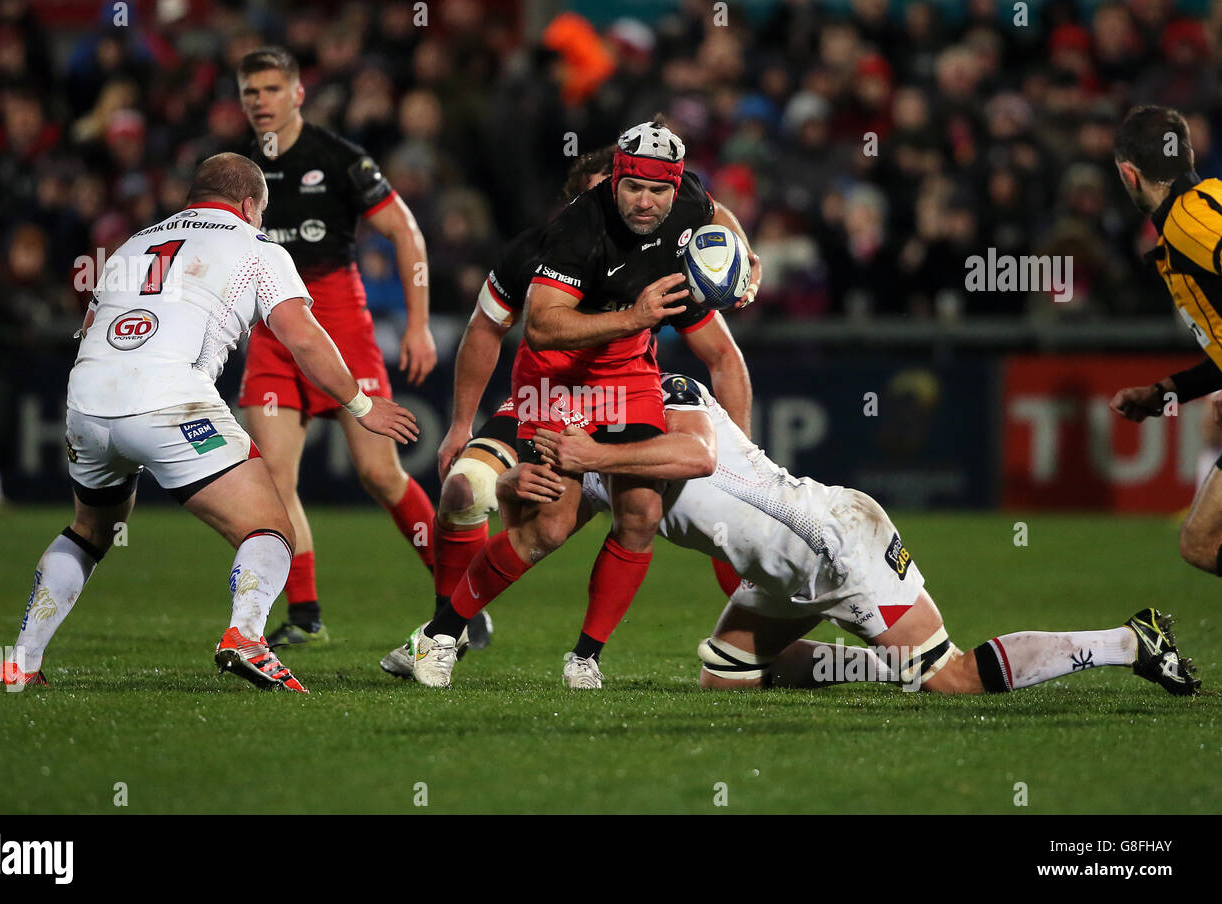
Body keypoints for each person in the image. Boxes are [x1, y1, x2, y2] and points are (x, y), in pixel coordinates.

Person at [0, 153, 419, 692]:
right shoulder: (256, 247)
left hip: (86, 398)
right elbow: (303, 336)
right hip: (170, 399)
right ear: (248, 205)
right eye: (260, 211)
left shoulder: (132, 243)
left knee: (90, 531)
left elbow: (93, 323)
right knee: (270, 526)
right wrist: (361, 404)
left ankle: (21, 663)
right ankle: (246, 637)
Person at [525, 374, 1199, 696]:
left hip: (835, 544)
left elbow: (693, 457)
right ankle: (885, 665)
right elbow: (542, 527)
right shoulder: (587, 441)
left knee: (953, 678)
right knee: (726, 676)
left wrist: (591, 458)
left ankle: (1127, 641)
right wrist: (508, 487)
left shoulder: (664, 392)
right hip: (784, 575)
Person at [405, 121, 760, 689]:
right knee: (547, 527)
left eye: (658, 189)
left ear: (675, 186)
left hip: (631, 380)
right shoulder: (575, 232)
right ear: (613, 181)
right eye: (633, 187)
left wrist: (748, 257)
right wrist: (638, 318)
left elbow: (718, 215)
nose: (645, 201)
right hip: (557, 388)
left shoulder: (686, 198)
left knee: (641, 514)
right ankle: (442, 633)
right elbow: (542, 329)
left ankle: (585, 658)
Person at [236, 46, 438, 648]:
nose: (261, 102)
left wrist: (418, 323)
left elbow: (406, 231)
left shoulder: (342, 160)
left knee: (379, 472)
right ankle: (305, 616)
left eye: (272, 89)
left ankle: (458, 597)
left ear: (298, 94)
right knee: (273, 481)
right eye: (250, 92)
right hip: (272, 328)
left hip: (340, 320)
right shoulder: (239, 168)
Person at [1108, 105, 1222, 577]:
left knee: (1202, 540)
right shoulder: (1206, 201)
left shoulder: (1191, 226)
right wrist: (1164, 392)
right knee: (1199, 541)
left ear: (1129, 173)